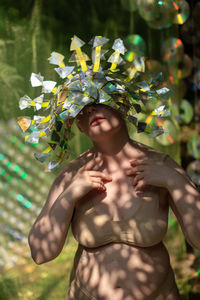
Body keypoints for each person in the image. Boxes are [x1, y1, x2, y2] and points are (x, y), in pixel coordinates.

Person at [19, 35, 200, 299]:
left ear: (123, 103)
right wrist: (69, 194)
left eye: (99, 99)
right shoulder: (72, 173)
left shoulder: (161, 165)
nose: (91, 110)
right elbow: (40, 253)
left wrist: (175, 181)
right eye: (81, 109)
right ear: (76, 125)